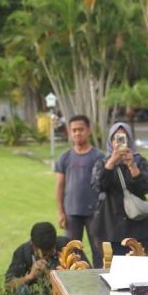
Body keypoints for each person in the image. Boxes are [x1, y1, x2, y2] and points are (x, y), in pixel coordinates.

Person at [90, 122, 148, 256]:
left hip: (137, 224)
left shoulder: (139, 160)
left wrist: (132, 165)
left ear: (130, 140)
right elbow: (98, 186)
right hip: (109, 222)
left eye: (124, 138)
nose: (119, 142)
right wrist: (111, 162)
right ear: (111, 141)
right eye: (116, 138)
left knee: (137, 264)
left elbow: (147, 186)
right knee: (110, 264)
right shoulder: (102, 162)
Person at [54, 114, 105, 266]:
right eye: (74, 130)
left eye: (80, 129)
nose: (77, 133)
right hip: (71, 212)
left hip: (95, 212)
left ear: (89, 130)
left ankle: (99, 277)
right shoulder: (65, 157)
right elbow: (60, 185)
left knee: (99, 250)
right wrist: (61, 212)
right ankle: (76, 278)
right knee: (72, 252)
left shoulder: (98, 156)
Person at [5, 221, 70, 295]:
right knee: (19, 290)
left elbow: (86, 274)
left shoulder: (67, 246)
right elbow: (9, 284)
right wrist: (30, 277)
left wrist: (52, 275)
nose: (46, 256)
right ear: (32, 243)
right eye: (43, 253)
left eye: (50, 252)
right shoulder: (22, 252)